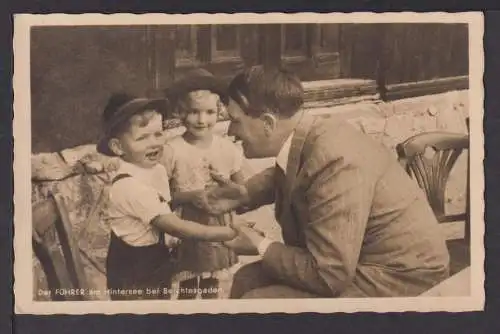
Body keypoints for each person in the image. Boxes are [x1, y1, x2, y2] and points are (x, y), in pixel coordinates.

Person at [201, 65, 451, 298]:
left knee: (258, 301)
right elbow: (296, 166)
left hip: (400, 278)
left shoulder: (336, 160)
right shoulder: (312, 131)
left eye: (235, 121)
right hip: (362, 263)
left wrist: (260, 245)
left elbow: (329, 274)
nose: (231, 132)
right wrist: (245, 193)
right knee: (247, 278)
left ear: (268, 123)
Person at [96, 92, 238, 300]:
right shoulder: (129, 186)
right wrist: (228, 233)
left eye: (158, 133)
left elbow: (167, 202)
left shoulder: (156, 170)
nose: (153, 143)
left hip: (154, 261)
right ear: (118, 147)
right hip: (134, 277)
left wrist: (196, 195)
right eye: (142, 138)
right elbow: (178, 227)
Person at [162, 69, 246, 299]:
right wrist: (188, 197)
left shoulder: (227, 148)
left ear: (220, 112)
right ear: (180, 112)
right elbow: (161, 197)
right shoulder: (172, 150)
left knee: (212, 281)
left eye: (209, 112)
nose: (202, 120)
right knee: (187, 284)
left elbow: (242, 192)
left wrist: (227, 190)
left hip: (217, 221)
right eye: (193, 112)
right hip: (184, 223)